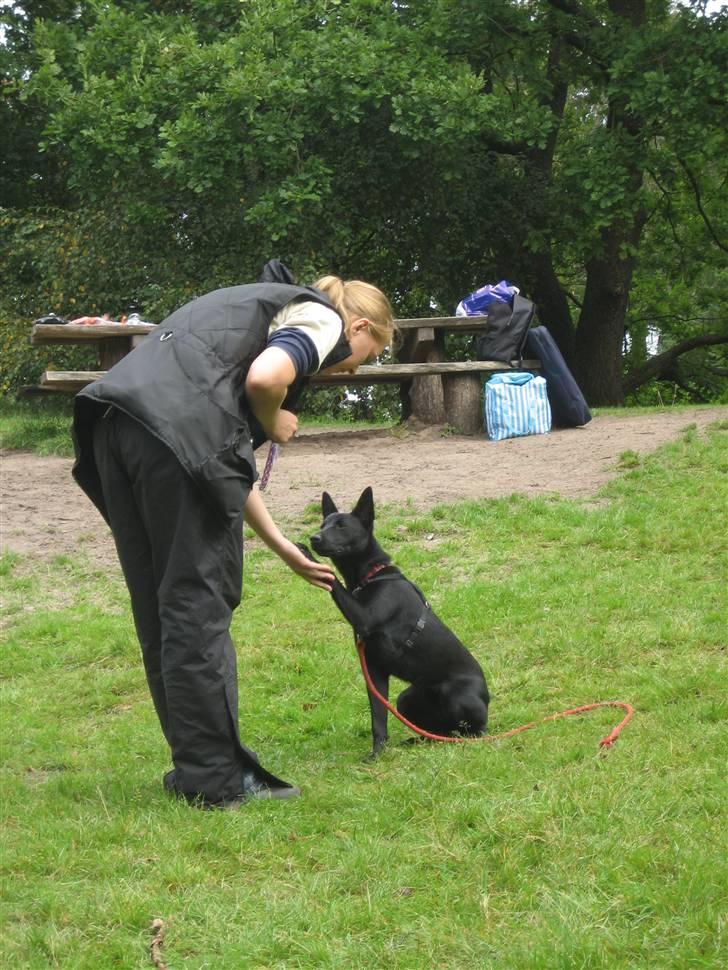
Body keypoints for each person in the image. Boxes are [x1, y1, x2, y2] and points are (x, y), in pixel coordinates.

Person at [71, 263, 395, 808]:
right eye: (371, 355)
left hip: (113, 428)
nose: (353, 371)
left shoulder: (250, 311)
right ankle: (218, 783)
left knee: (163, 605)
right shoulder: (318, 317)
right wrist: (271, 419)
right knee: (196, 605)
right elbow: (265, 379)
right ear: (359, 328)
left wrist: (285, 548)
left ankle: (195, 770)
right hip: (169, 438)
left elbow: (217, 463)